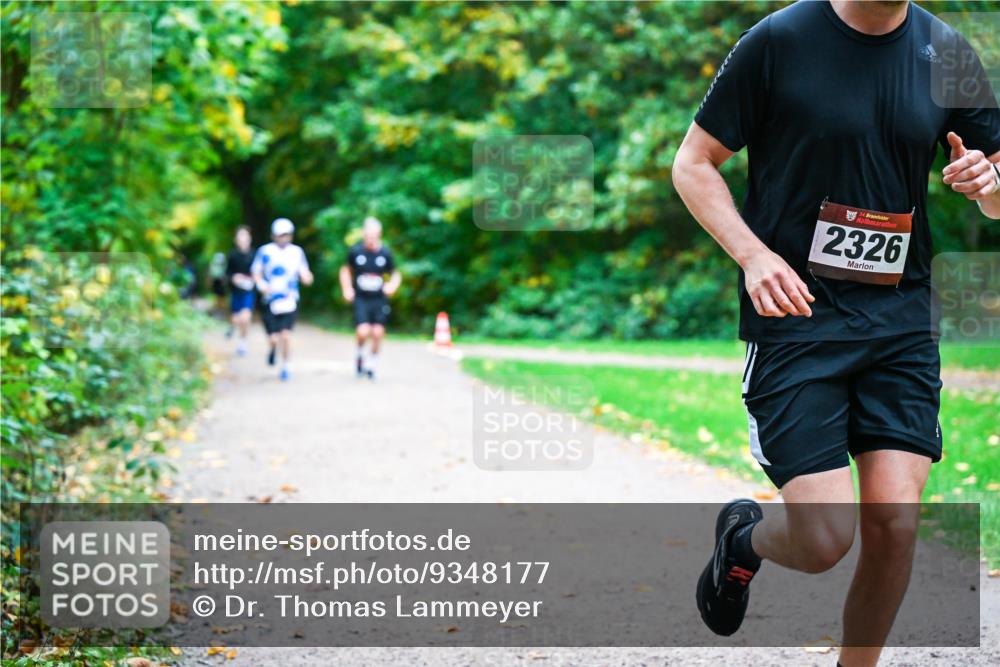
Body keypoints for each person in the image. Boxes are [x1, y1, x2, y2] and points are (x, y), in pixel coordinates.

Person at [671, 1, 1000, 665]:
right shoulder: (778, 42)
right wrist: (753, 254)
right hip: (797, 318)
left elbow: (997, 189)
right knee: (824, 540)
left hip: (900, 319)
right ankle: (743, 539)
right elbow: (693, 163)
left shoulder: (949, 55)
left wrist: (988, 184)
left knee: (894, 524)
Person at [338, 216, 401, 380]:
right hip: (361, 298)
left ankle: (372, 365)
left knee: (378, 333)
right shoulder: (356, 251)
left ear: (379, 234)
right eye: (368, 236)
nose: (371, 240)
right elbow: (345, 270)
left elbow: (395, 273)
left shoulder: (385, 253)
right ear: (364, 234)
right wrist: (347, 289)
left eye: (374, 236)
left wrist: (392, 285)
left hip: (379, 299)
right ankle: (359, 355)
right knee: (363, 331)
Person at [251, 218, 314, 381]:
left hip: (290, 299)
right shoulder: (265, 251)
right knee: (273, 338)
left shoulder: (296, 252)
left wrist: (307, 277)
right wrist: (261, 285)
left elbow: (305, 272)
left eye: (286, 235)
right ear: (274, 236)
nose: (283, 238)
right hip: (270, 300)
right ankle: (272, 350)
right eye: (280, 235)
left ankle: (286, 365)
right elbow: (256, 272)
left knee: (286, 335)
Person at [226, 226, 256, 356]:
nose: (242, 239)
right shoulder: (232, 255)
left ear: (249, 238)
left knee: (246, 317)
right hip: (236, 291)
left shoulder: (255, 254)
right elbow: (227, 273)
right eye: (240, 236)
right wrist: (234, 277)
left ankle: (242, 343)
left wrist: (252, 278)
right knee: (236, 319)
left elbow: (260, 271)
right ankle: (233, 327)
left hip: (249, 291)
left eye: (245, 236)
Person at [208, 251, 227, 317]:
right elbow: (211, 275)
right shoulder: (214, 265)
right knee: (218, 297)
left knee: (220, 298)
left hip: (220, 283)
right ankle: (218, 311)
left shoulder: (223, 265)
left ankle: (220, 311)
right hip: (217, 283)